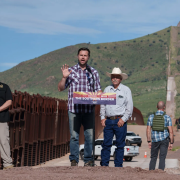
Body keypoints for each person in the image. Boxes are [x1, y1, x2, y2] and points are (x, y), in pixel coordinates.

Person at [58, 47, 102, 166]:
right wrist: (64, 77)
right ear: (78, 56)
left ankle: (88, 160)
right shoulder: (70, 71)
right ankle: (74, 159)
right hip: (74, 110)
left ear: (88, 57)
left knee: (89, 136)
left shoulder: (93, 72)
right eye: (81, 55)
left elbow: (98, 89)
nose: (83, 57)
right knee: (74, 136)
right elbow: (60, 88)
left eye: (85, 55)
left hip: (88, 110)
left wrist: (99, 94)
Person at [100, 67, 133, 167]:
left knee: (120, 144)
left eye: (117, 77)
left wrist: (123, 119)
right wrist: (102, 117)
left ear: (121, 78)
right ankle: (104, 165)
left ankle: (118, 166)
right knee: (106, 144)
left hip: (120, 120)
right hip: (109, 121)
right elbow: (103, 104)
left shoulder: (126, 90)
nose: (114, 79)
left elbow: (129, 107)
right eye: (113, 77)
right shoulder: (107, 89)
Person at [146, 101, 174, 171]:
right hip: (164, 140)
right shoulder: (167, 117)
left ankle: (151, 172)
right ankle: (160, 174)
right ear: (164, 107)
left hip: (154, 140)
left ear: (156, 107)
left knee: (153, 157)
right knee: (162, 157)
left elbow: (148, 130)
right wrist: (171, 142)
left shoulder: (151, 117)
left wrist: (149, 141)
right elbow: (171, 131)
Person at [0, 82, 13, 170]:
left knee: (3, 140)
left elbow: (9, 101)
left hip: (1, 118)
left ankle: (7, 164)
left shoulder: (4, 87)